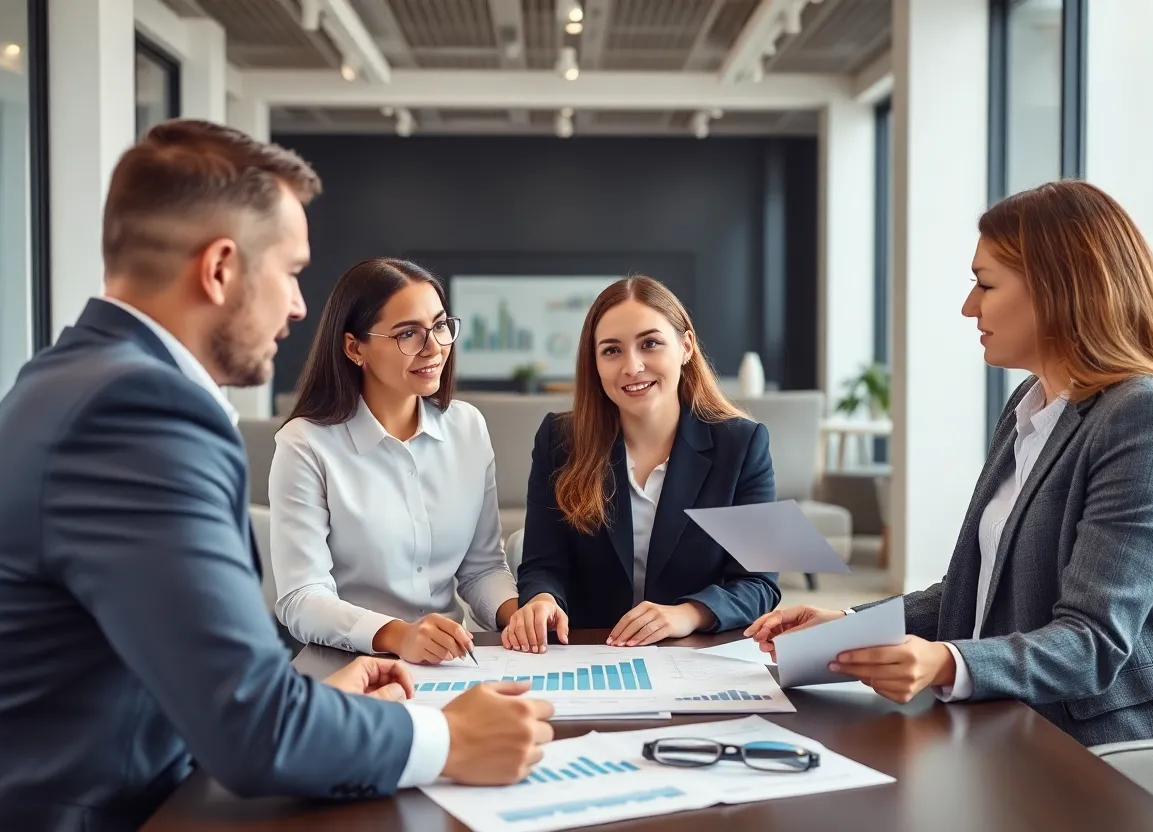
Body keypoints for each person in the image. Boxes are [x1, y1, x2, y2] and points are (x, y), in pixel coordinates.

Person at [0, 120, 552, 831]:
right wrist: (451, 739)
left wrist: (317, 703)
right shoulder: (140, 411)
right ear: (222, 268)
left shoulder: (61, 379)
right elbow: (253, 727)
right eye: (290, 272)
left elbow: (204, 676)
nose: (298, 305)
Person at [747, 180, 1153, 747]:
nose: (969, 306)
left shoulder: (1148, 417)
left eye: (985, 284)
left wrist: (945, 662)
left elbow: (1092, 642)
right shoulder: (1030, 402)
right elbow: (976, 592)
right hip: (1009, 718)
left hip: (1105, 748)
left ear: (1057, 289)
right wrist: (848, 626)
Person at [506, 276, 780, 652]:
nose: (632, 367)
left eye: (649, 344)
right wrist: (542, 600)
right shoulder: (560, 440)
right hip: (588, 653)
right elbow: (543, 566)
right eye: (611, 350)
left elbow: (759, 582)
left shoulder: (742, 444)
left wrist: (688, 613)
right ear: (595, 363)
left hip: (696, 655)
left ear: (685, 347)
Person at [270, 258, 518, 663]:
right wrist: (396, 635)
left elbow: (482, 568)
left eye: (439, 326)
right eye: (408, 334)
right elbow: (302, 597)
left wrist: (516, 615)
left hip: (448, 663)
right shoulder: (305, 445)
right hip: (345, 662)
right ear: (354, 347)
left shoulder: (467, 427)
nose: (434, 347)